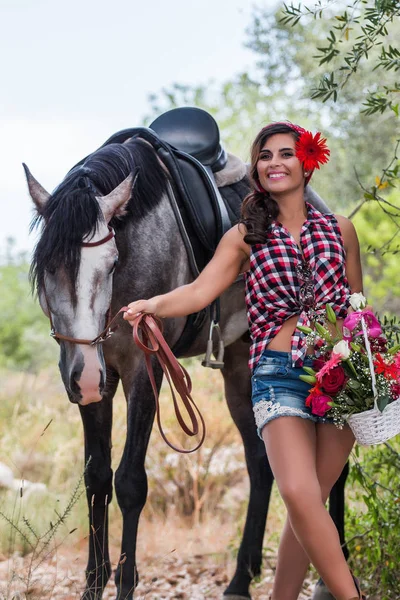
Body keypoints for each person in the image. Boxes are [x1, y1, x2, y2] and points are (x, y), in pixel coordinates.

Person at [123, 122, 365, 600]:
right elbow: (198, 291)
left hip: (339, 376)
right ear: (256, 168)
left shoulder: (341, 230)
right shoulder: (244, 236)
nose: (274, 162)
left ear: (307, 162)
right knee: (297, 491)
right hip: (277, 376)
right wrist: (153, 305)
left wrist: (369, 370)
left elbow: (357, 307)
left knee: (311, 500)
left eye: (285, 153)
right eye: (264, 155)